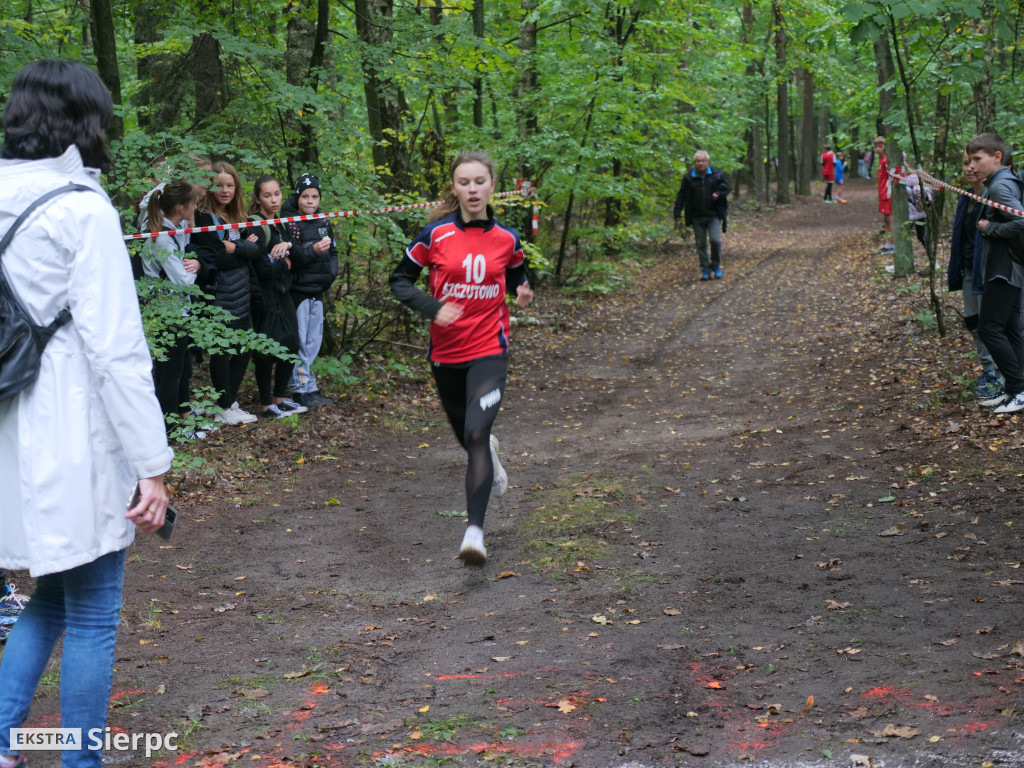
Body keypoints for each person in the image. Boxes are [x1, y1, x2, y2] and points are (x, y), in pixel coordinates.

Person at [0, 59, 172, 768]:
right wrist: (153, 466)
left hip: (12, 428)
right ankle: (80, 761)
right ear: (87, 120)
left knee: (53, 595)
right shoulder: (81, 207)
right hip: (74, 426)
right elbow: (118, 351)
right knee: (95, 610)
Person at [389, 150, 534, 565]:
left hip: (490, 350)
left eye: (480, 181)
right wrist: (432, 307)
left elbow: (518, 272)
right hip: (446, 356)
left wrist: (521, 290)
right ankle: (487, 449)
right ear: (454, 188)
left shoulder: (507, 238)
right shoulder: (433, 236)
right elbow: (398, 280)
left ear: (492, 185)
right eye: (464, 182)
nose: (472, 189)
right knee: (469, 439)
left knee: (473, 436)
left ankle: (474, 532)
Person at [190, 161, 262, 425]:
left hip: (242, 292)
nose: (224, 190)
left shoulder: (239, 215)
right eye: (218, 185)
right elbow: (215, 257)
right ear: (209, 186)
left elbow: (256, 250)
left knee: (244, 348)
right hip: (218, 293)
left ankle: (227, 401)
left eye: (230, 185)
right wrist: (242, 248)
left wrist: (237, 248)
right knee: (221, 349)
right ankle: (224, 405)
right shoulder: (202, 217)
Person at [139, 178, 207, 434]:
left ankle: (180, 419)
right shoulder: (162, 239)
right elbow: (183, 280)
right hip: (166, 314)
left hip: (178, 311)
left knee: (183, 368)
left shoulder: (174, 229)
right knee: (169, 373)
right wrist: (193, 267)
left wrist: (193, 260)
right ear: (181, 207)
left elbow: (185, 252)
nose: (195, 208)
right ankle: (167, 429)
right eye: (193, 204)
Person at [969, 132, 1024, 414]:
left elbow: (1021, 221)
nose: (972, 165)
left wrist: (988, 228)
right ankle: (1017, 389)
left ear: (997, 157)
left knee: (989, 328)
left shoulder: (1001, 186)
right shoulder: (998, 184)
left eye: (978, 159)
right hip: (1009, 267)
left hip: (1005, 269)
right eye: (970, 160)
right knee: (1012, 329)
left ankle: (1017, 387)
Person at [247, 175, 308, 419]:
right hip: (263, 296)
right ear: (258, 198)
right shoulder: (254, 225)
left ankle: (280, 397)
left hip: (284, 293)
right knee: (265, 350)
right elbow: (262, 267)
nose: (274, 200)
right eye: (267, 195)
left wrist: (289, 252)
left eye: (277, 194)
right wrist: (286, 264)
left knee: (292, 343)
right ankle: (266, 404)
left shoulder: (281, 224)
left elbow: (302, 256)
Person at [949, 151, 1002, 400]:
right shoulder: (965, 197)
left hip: (991, 271)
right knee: (974, 322)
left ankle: (1002, 375)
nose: (969, 168)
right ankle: (988, 371)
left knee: (992, 324)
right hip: (969, 268)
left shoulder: (996, 194)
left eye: (975, 162)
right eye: (965, 163)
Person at [282, 173, 338, 408]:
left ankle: (309, 385)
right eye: (305, 196)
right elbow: (293, 255)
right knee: (301, 340)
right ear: (297, 197)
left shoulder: (324, 222)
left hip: (318, 289)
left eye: (314, 197)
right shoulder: (288, 223)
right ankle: (299, 388)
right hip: (299, 290)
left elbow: (333, 252)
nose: (310, 201)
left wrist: (331, 275)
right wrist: (313, 250)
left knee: (314, 340)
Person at [672, 150, 731, 280]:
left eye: (703, 161)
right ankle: (705, 269)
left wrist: (719, 194)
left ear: (708, 162)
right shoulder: (688, 177)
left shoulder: (717, 174)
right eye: (698, 161)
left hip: (713, 215)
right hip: (696, 216)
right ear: (695, 163)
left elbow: (727, 188)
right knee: (701, 244)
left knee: (715, 241)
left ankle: (715, 265)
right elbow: (681, 195)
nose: (700, 163)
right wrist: (677, 212)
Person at [873, 136, 894, 253]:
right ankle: (888, 243)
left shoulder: (886, 161)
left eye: (880, 147)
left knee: (889, 219)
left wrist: (890, 193)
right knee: (886, 220)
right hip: (882, 194)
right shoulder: (881, 161)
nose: (877, 149)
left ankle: (891, 244)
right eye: (876, 147)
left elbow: (892, 177)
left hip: (887, 194)